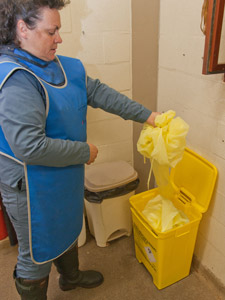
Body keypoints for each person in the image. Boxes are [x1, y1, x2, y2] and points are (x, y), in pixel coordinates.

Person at [0, 0, 160, 299]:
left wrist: (150, 117)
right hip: (30, 185)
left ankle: (70, 277)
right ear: (22, 29)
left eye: (58, 30)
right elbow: (29, 147)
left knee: (67, 226)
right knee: (37, 252)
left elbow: (100, 93)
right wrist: (84, 152)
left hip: (63, 172)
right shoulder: (16, 79)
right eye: (52, 31)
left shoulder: (64, 66)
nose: (59, 38)